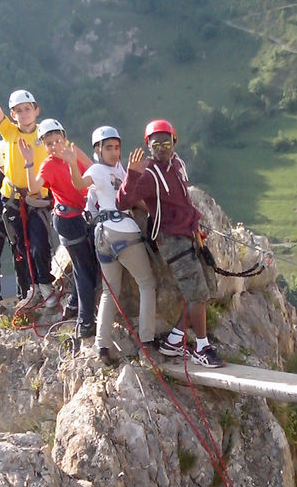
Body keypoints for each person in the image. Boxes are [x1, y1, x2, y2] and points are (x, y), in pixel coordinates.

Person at [116, 119, 224, 368]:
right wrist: (131, 175)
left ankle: (175, 340)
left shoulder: (178, 165)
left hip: (189, 234)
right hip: (172, 240)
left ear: (174, 142)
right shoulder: (148, 174)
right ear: (148, 146)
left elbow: (183, 199)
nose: (162, 148)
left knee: (203, 290)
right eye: (156, 145)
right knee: (197, 294)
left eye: (166, 143)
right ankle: (202, 347)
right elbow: (123, 202)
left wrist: (194, 224)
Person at [0, 53, 56, 309]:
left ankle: (44, 284)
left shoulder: (46, 132)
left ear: (36, 110)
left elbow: (65, 152)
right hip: (13, 200)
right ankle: (30, 289)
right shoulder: (8, 132)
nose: (23, 113)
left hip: (38, 198)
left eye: (27, 108)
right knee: (22, 248)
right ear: (13, 115)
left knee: (39, 244)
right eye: (18, 111)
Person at [84, 126, 157, 364]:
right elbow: (130, 199)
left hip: (102, 236)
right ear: (98, 150)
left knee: (109, 292)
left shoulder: (118, 169)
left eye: (117, 147)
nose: (115, 152)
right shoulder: (97, 170)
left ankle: (102, 345)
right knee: (147, 284)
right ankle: (146, 342)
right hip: (124, 232)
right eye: (109, 148)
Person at [21, 119, 97, 340]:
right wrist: (28, 163)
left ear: (65, 137)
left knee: (85, 266)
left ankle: (73, 304)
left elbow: (93, 169)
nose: (55, 146)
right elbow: (35, 189)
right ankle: (85, 321)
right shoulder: (48, 165)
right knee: (85, 271)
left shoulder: (74, 152)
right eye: (50, 143)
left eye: (58, 140)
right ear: (44, 145)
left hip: (84, 215)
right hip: (68, 220)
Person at [0, 141, 31, 318]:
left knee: (20, 255)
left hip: (16, 220)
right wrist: (1, 219)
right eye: (1, 167)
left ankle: (25, 294)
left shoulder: (22, 176)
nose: (4, 169)